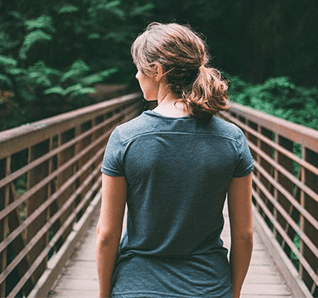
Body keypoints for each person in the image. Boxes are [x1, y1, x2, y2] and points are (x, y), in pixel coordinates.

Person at [95, 22, 255, 298]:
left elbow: (107, 235)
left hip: (137, 288)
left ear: (157, 71)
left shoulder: (125, 138)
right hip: (208, 287)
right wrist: (233, 293)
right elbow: (244, 235)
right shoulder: (232, 139)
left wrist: (102, 295)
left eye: (139, 68)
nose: (136, 75)